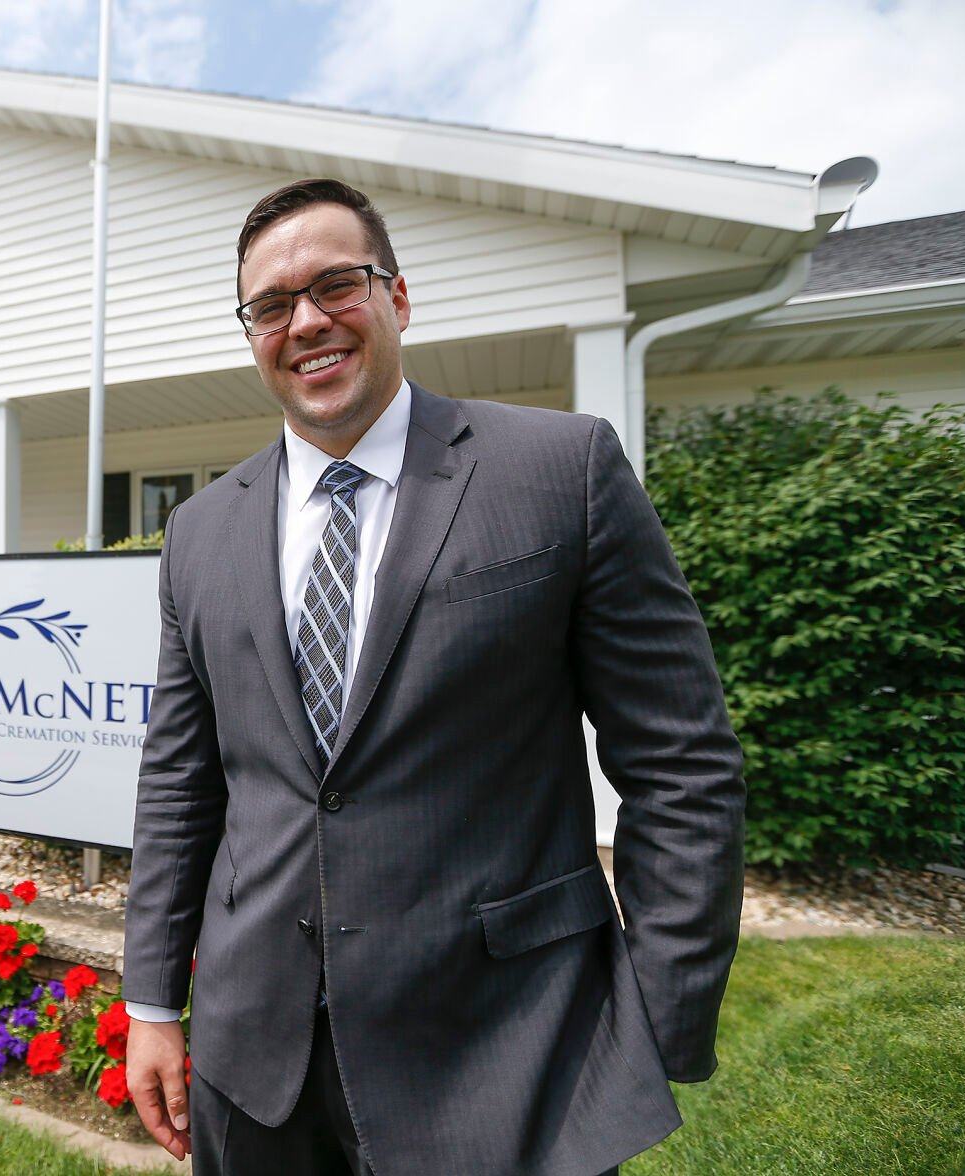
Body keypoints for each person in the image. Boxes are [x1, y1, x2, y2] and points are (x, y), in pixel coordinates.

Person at [121, 178, 745, 1176]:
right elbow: (179, 782)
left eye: (337, 285)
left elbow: (680, 766)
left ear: (397, 297)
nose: (307, 322)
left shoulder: (557, 470)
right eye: (271, 305)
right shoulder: (200, 531)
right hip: (256, 1065)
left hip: (503, 1059)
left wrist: (655, 1024)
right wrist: (151, 1001)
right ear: (250, 335)